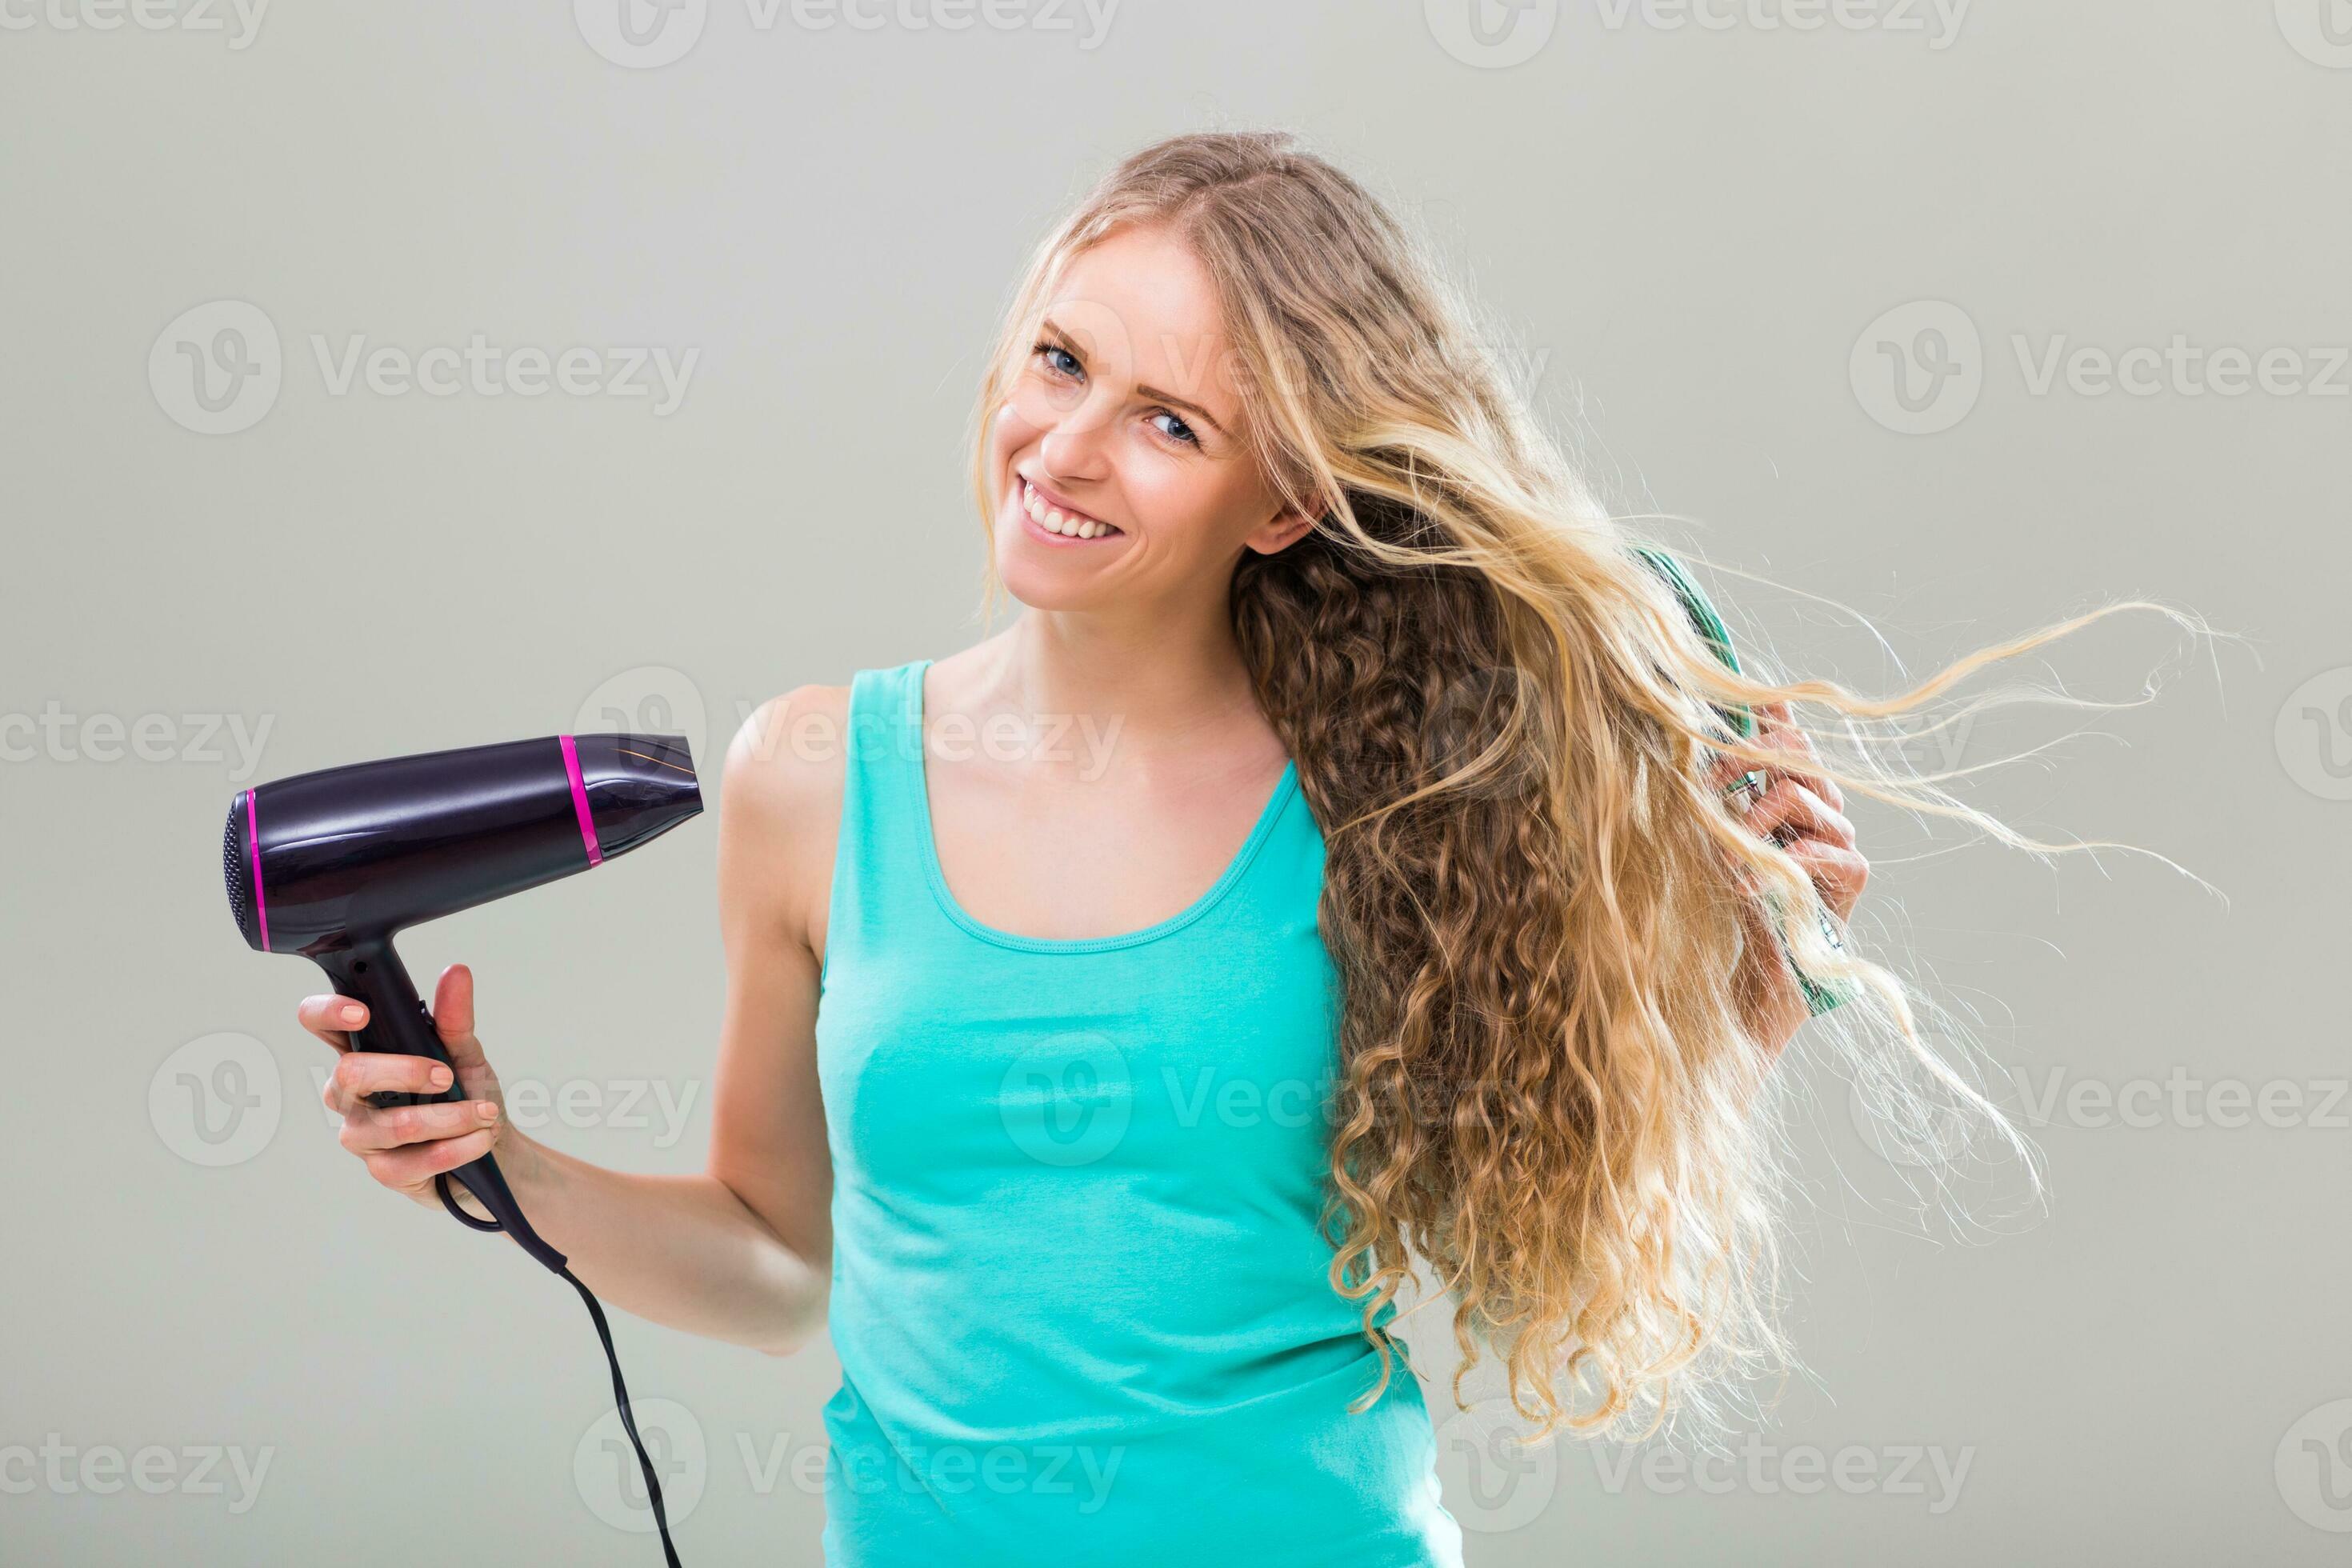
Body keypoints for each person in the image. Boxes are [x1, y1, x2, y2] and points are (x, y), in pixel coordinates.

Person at [297, 130, 2137, 1564]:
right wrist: (498, 1154)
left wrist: (1749, 1001)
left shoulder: (1396, 794)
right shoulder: (807, 776)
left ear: (1286, 500)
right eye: (1058, 359)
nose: (1065, 448)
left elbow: (1560, 1179)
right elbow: (783, 1261)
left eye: (1167, 421)